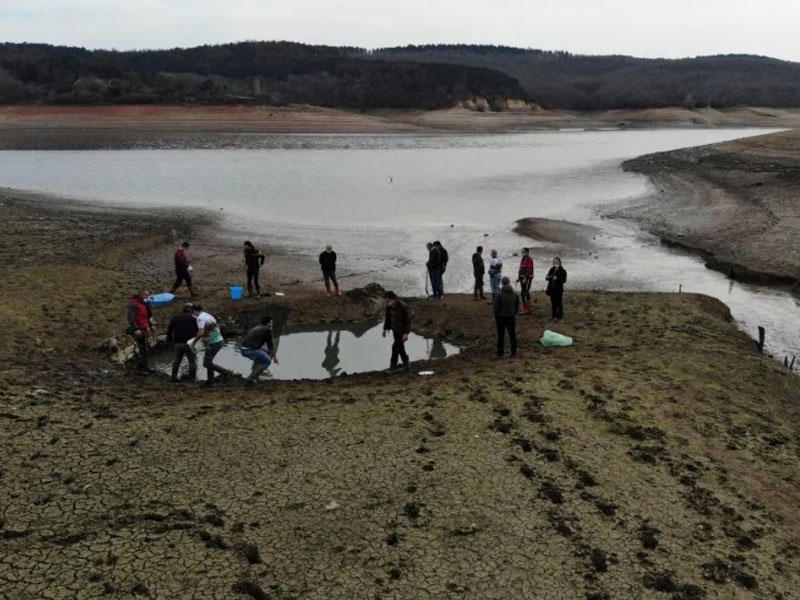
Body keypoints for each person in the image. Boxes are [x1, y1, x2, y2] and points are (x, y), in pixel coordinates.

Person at [190, 304, 233, 387]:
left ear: (195, 311)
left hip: (213, 342)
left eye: (192, 312)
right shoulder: (207, 315)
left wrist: (194, 342)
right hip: (218, 340)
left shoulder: (200, 318)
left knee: (206, 363)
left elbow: (201, 332)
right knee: (209, 362)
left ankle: (226, 372)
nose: (193, 314)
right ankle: (210, 382)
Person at [240, 315, 279, 382]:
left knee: (262, 354)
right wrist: (275, 358)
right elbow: (271, 346)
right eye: (271, 323)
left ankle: (255, 374)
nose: (272, 325)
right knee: (267, 361)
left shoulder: (258, 327)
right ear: (267, 323)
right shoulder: (267, 330)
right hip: (250, 350)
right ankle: (251, 378)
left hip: (244, 349)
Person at [166, 303, 198, 382]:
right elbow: (198, 331)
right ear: (190, 310)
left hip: (178, 342)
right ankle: (192, 378)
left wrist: (169, 341)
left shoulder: (176, 318)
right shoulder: (193, 319)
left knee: (176, 360)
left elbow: (169, 330)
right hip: (189, 343)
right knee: (192, 361)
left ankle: (173, 377)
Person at [382, 291, 411, 372]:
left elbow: (408, 321)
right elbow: (387, 319)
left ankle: (393, 367)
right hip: (395, 330)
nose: (387, 303)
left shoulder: (402, 306)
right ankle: (406, 365)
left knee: (395, 347)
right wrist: (385, 329)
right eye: (386, 301)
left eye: (388, 301)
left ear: (393, 299)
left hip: (402, 331)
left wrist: (406, 333)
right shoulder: (389, 307)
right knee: (400, 348)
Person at [127, 289, 154, 372]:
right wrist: (136, 329)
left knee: (145, 347)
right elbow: (130, 317)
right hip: (138, 329)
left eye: (148, 295)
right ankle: (142, 366)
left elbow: (148, 316)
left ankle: (142, 365)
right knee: (142, 347)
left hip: (144, 328)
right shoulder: (134, 304)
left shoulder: (145, 303)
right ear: (141, 295)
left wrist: (151, 325)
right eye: (146, 295)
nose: (147, 297)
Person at [493, 276, 520, 358]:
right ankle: (513, 352)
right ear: (509, 282)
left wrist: (496, 316)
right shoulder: (515, 294)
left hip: (501, 317)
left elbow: (496, 308)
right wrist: (514, 313)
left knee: (501, 335)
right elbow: (517, 306)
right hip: (511, 316)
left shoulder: (499, 295)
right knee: (512, 335)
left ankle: (500, 353)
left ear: (502, 283)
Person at [545, 256, 568, 321]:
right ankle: (554, 316)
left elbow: (564, 280)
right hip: (552, 288)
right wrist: (548, 277)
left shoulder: (562, 271)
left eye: (557, 261)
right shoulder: (551, 269)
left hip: (558, 289)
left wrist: (557, 279)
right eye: (554, 261)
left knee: (559, 303)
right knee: (553, 303)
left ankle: (560, 317)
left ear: (559, 262)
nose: (555, 262)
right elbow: (547, 278)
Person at [517, 247, 534, 315]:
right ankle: (525, 307)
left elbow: (529, 270)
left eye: (523, 252)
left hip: (527, 278)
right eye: (522, 252)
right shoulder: (523, 259)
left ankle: (528, 308)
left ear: (527, 252)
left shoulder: (529, 259)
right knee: (522, 292)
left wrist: (525, 278)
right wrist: (519, 277)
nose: (522, 253)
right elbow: (521, 269)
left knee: (526, 292)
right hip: (522, 278)